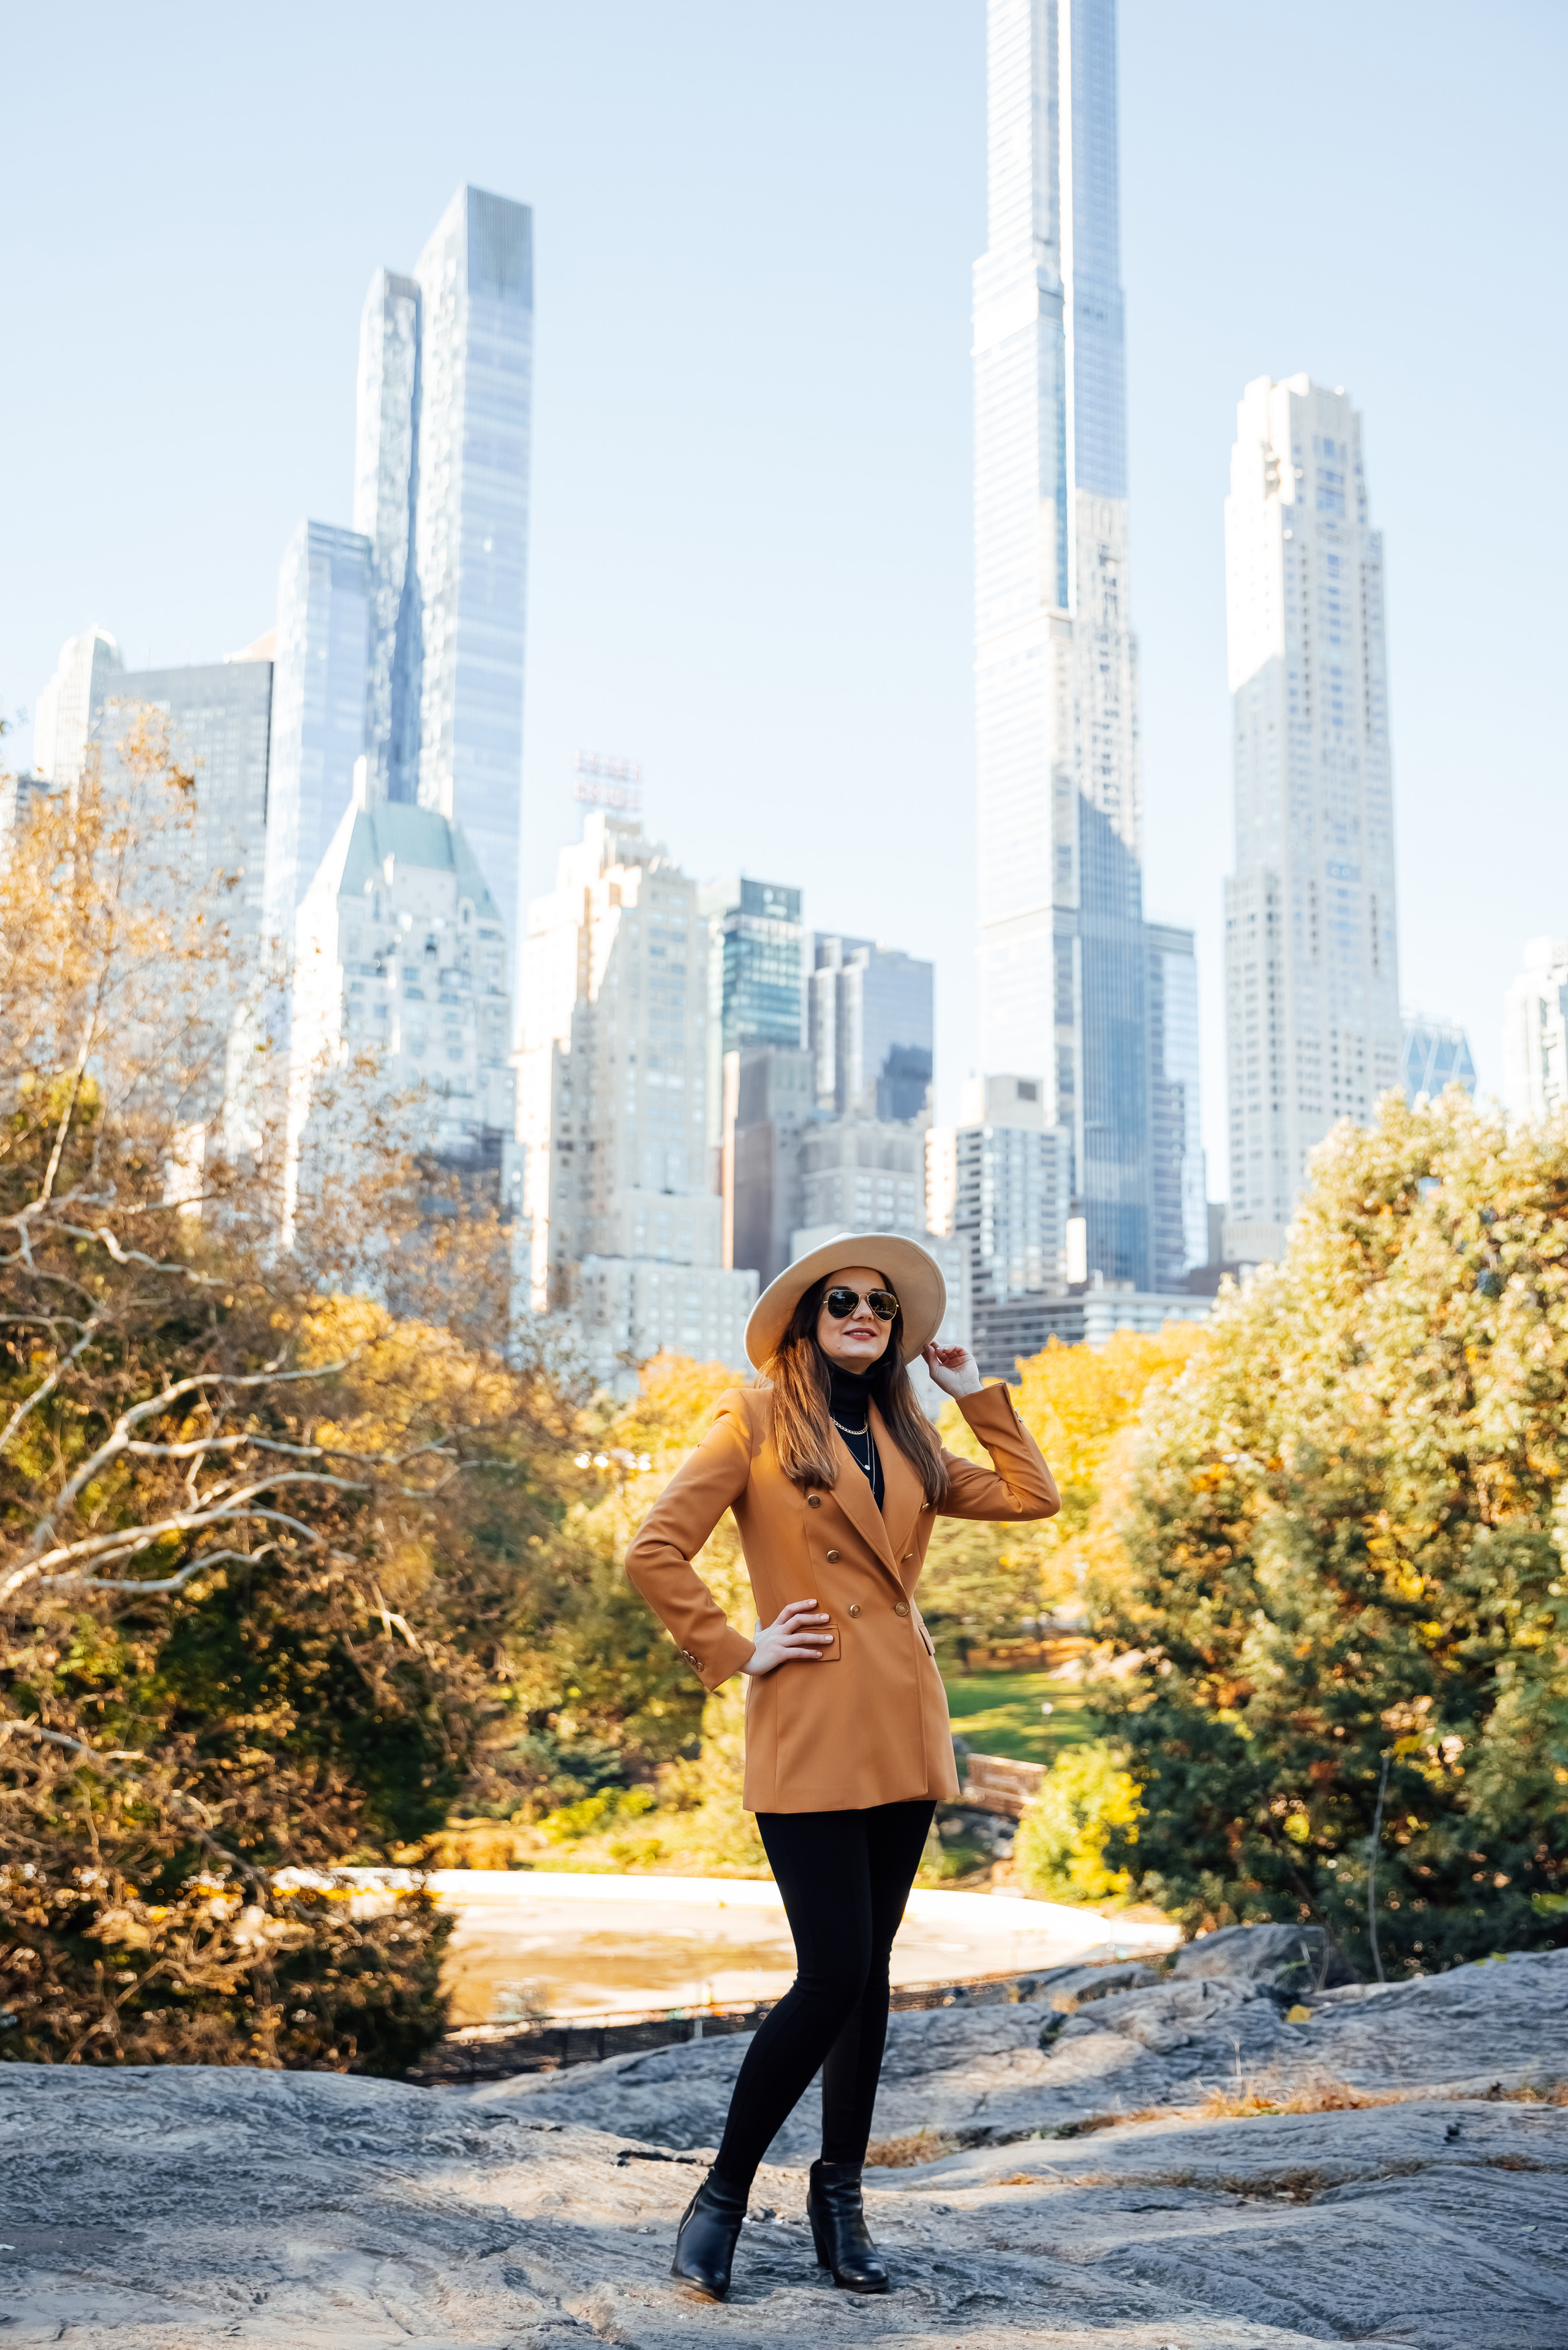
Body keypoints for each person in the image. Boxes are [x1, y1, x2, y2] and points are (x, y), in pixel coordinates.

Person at [624, 1231, 1060, 2300]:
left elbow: (1031, 1494)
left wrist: (973, 1393)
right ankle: (722, 2194)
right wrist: (735, 1648)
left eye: (881, 1305)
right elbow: (652, 1547)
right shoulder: (753, 1419)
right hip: (811, 1723)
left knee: (867, 1979)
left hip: (904, 1729)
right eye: (842, 1301)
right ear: (809, 1320)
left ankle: (842, 2200)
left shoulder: (911, 1437)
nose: (864, 1314)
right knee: (829, 1973)